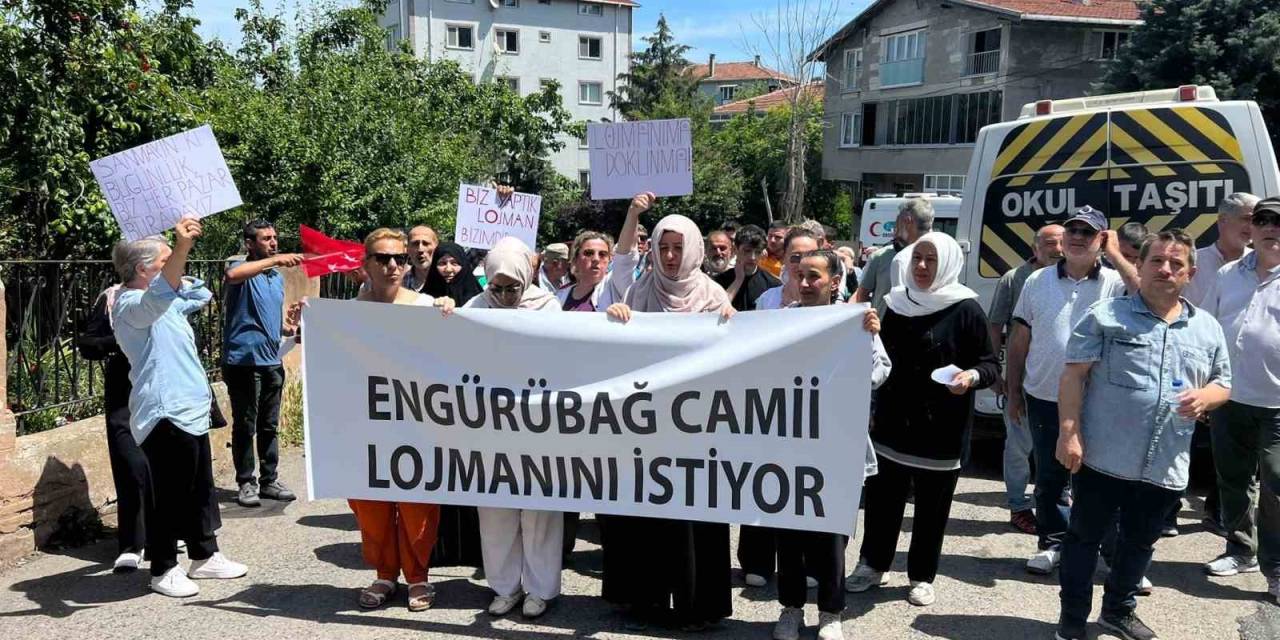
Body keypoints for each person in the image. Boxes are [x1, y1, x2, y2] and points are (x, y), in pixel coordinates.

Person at [1055, 230, 1231, 640]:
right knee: (1083, 540)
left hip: (1166, 462)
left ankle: (1118, 611)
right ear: (1141, 265)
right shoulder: (1106, 315)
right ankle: (1073, 621)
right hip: (1103, 456)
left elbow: (1225, 383)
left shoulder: (1207, 328)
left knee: (1139, 545)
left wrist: (1206, 396)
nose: (1165, 269)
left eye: (1175, 263)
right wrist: (1069, 434)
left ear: (1190, 272)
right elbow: (1072, 376)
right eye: (1156, 261)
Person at [292, 228, 454, 610]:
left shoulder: (426, 305)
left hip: (416, 423)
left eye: (400, 258)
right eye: (383, 258)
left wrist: (449, 315)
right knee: (371, 507)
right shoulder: (345, 314)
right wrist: (303, 325)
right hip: (364, 428)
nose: (394, 265)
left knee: (417, 507)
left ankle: (418, 578)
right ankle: (384, 574)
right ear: (365, 264)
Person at [845, 232, 998, 607]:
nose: (923, 267)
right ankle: (872, 564)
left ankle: (921, 575)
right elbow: (877, 357)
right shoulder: (895, 304)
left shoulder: (966, 308)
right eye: (917, 259)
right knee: (882, 502)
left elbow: (989, 364)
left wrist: (971, 378)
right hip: (894, 423)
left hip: (941, 428)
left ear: (946, 262)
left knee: (932, 508)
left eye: (931, 259)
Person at [603, 192, 734, 631]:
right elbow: (621, 346)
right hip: (650, 427)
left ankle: (700, 605)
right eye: (663, 247)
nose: (672, 256)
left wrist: (735, 326)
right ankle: (650, 600)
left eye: (679, 247)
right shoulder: (640, 291)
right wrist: (619, 317)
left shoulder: (714, 297)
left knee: (697, 518)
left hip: (699, 428)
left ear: (694, 249)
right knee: (652, 514)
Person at [112, 219, 248, 598]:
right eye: (167, 259)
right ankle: (163, 568)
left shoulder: (165, 299)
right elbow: (158, 297)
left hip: (189, 407)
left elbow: (199, 294)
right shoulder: (129, 305)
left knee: (199, 488)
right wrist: (181, 245)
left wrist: (177, 271)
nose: (178, 264)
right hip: (164, 410)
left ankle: (205, 556)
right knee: (169, 494)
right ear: (144, 269)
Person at [772, 249, 889, 640]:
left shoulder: (854, 322)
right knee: (787, 532)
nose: (805, 284)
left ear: (835, 281)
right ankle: (790, 609)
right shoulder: (777, 323)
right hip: (787, 443)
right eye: (800, 275)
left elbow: (879, 372)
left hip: (834, 445)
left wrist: (868, 337)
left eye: (814, 277)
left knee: (829, 535)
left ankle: (830, 612)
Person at [1005, 206, 1127, 576]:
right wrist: (1013, 391)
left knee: (1101, 480)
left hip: (1098, 399)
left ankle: (1111, 553)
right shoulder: (1036, 281)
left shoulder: (1115, 284)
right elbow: (1019, 337)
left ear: (1101, 240)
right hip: (1043, 396)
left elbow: (1147, 295)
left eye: (1087, 233)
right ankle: (1053, 542)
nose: (1076, 237)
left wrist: (1118, 256)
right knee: (1049, 477)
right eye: (1072, 230)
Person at [462, 237, 564, 618]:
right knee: (495, 513)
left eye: (513, 287)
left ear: (527, 278)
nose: (504, 296)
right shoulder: (475, 307)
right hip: (490, 426)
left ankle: (540, 589)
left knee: (540, 512)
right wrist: (443, 313)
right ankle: (504, 587)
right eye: (497, 287)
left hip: (539, 426)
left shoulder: (547, 307)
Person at [1201, 198, 1280, 592]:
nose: (1270, 228)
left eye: (1278, 222)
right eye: (1263, 220)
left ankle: (1277, 566)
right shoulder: (1229, 274)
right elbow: (1208, 330)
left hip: (1277, 406)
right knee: (1232, 480)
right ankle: (1241, 550)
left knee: (1276, 483)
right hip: (1229, 398)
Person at [988, 224, 1065, 535]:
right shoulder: (1014, 279)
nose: (1057, 248)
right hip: (1021, 381)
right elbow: (995, 326)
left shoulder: (1074, 279)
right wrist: (995, 369)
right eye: (1049, 243)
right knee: (1019, 447)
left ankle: (1057, 503)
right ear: (1035, 248)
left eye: (1061, 241)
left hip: (1062, 384)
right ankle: (1019, 506)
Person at [222, 220, 303, 507]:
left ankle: (269, 480)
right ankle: (246, 482)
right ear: (250, 243)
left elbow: (272, 321)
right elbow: (233, 274)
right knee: (245, 425)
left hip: (272, 360)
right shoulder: (239, 265)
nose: (273, 243)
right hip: (243, 360)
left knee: (269, 424)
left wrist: (290, 329)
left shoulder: (274, 277)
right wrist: (276, 259)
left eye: (274, 238)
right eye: (266, 238)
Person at [856, 198, 933, 316]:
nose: (894, 227)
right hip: (880, 332)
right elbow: (862, 296)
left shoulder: (938, 258)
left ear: (907, 220)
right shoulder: (880, 257)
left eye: (897, 221)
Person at [1185, 192, 1258, 307]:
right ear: (1223, 220)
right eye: (1246, 219)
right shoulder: (1194, 262)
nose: (1252, 226)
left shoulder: (1261, 263)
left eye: (1257, 221)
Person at [556, 230, 633, 312]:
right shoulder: (559, 296)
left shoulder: (613, 286)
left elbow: (625, 257)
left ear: (609, 260)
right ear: (575, 260)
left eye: (603, 254)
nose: (596, 259)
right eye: (589, 253)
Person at [714, 225, 780, 312]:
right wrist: (738, 280)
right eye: (747, 251)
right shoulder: (719, 282)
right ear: (736, 249)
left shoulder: (773, 284)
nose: (752, 257)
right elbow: (715, 311)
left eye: (757, 252)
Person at [754, 228, 820, 311]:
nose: (803, 263)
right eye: (796, 257)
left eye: (811, 256)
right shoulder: (766, 300)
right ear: (784, 258)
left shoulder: (827, 300)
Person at [424, 241, 484, 306]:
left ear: (464, 266)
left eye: (454, 263)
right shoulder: (422, 299)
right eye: (442, 263)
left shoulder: (480, 301)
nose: (448, 269)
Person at [403, 225, 440, 293]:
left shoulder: (446, 280)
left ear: (436, 247)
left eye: (426, 243)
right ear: (407, 248)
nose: (420, 249)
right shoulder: (400, 283)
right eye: (415, 244)